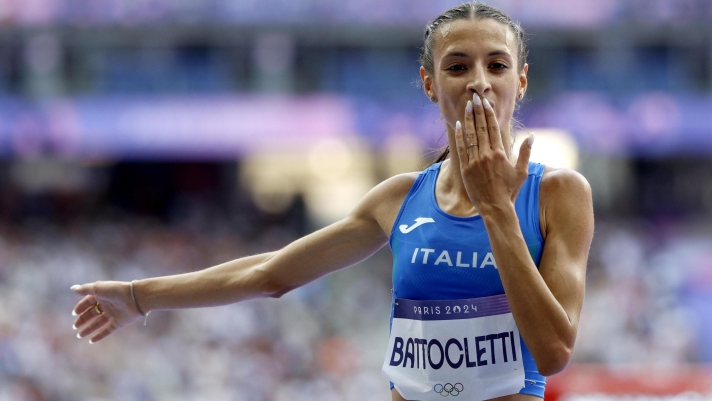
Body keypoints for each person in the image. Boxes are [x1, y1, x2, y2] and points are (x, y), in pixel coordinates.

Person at [71, 2, 593, 400]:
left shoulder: (559, 194)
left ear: (520, 81)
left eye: (496, 65)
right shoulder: (400, 198)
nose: (479, 82)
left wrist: (497, 207)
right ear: (430, 84)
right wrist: (140, 296)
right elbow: (271, 275)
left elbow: (552, 352)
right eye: (457, 67)